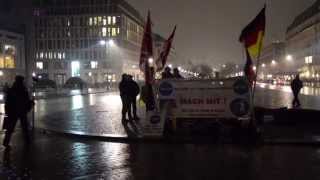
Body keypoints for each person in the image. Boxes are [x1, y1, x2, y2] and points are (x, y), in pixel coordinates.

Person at [3, 76, 34, 148]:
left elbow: (7, 102)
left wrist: (7, 112)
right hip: (22, 111)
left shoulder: (11, 90)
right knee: (24, 127)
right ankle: (27, 141)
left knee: (10, 128)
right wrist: (31, 103)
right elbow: (26, 102)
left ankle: (6, 142)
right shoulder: (23, 91)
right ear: (21, 81)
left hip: (13, 112)